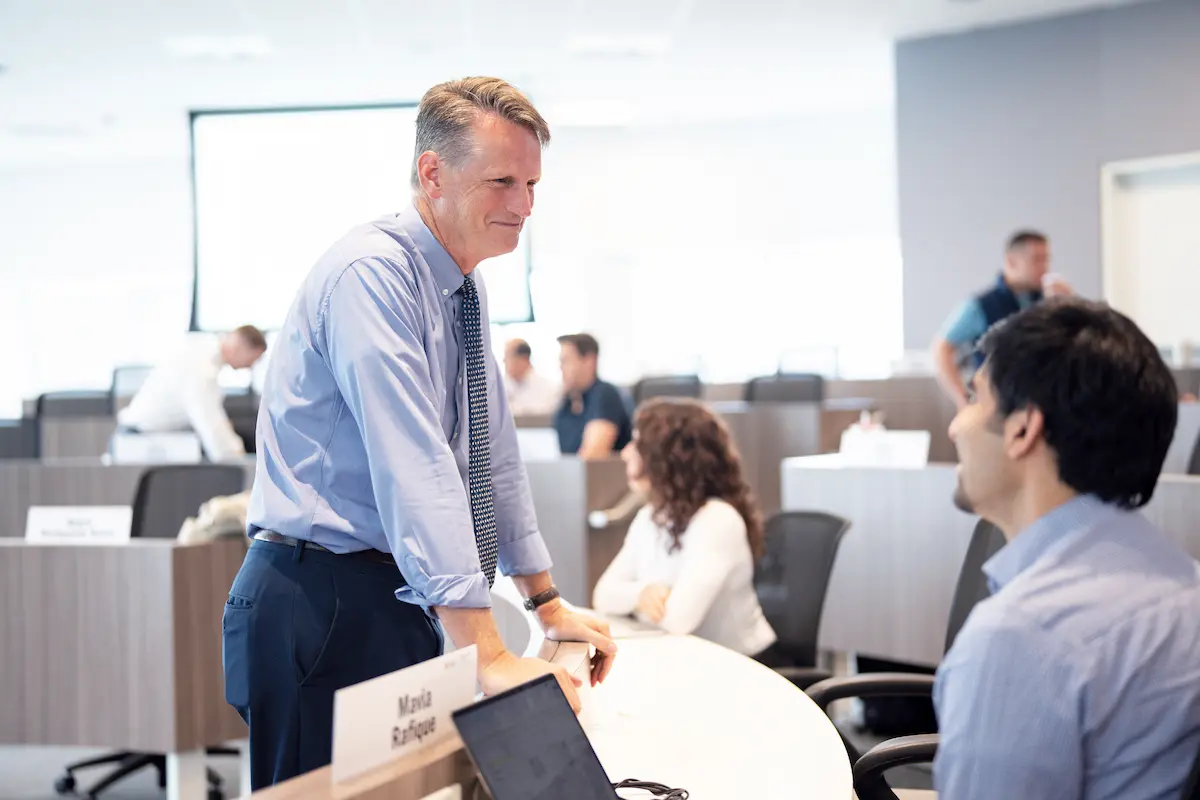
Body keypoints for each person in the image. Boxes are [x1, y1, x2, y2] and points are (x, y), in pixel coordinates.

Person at [222, 77, 617, 790]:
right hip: (318, 599)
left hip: (396, 598)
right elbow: (415, 464)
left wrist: (545, 600)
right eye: (502, 181)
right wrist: (486, 651)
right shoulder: (371, 275)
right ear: (432, 173)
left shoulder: (463, 286)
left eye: (532, 184)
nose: (524, 206)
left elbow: (490, 456)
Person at [936, 298, 1200, 799]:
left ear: (1022, 429)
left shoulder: (1020, 638)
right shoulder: (1185, 582)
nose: (955, 425)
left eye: (974, 398)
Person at [592, 399, 777, 660]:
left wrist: (635, 602)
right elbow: (602, 594)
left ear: (669, 458)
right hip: (686, 659)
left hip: (745, 668)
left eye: (637, 443)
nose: (626, 453)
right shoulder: (650, 517)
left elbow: (678, 620)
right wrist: (642, 594)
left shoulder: (718, 520)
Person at [931, 231, 1072, 408]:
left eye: (1046, 259)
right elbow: (942, 348)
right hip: (997, 407)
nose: (1045, 267)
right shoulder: (981, 305)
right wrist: (962, 399)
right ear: (1012, 262)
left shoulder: (1049, 299)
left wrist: (1068, 306)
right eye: (1037, 259)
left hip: (1042, 403)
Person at [116, 325, 266, 461]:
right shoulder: (202, 368)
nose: (250, 366)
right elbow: (211, 425)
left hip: (152, 437)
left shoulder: (201, 348)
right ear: (239, 347)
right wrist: (242, 462)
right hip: (140, 442)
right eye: (253, 358)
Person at [553, 332, 632, 459]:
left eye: (566, 361)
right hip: (574, 476)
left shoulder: (605, 394)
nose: (560, 368)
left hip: (602, 477)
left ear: (589, 361)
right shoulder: (566, 403)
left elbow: (592, 456)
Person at [502, 338, 560, 415]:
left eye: (508, 355)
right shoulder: (497, 388)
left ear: (524, 358)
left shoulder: (550, 390)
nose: (504, 360)